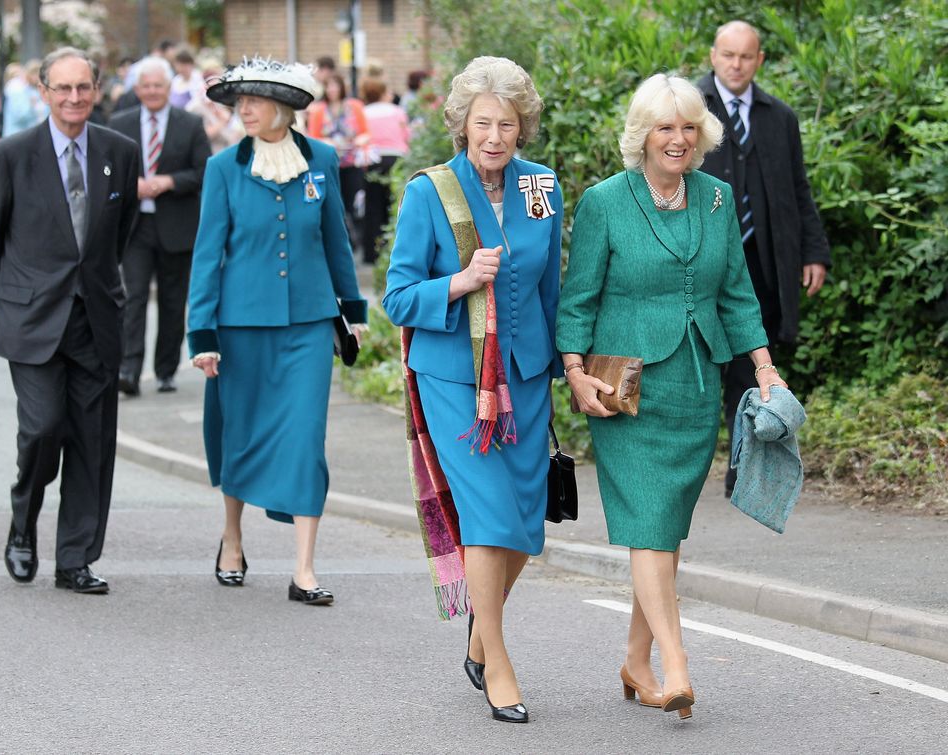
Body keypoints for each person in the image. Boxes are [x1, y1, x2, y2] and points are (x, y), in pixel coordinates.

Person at [556, 73, 787, 719]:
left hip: (694, 379)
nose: (678, 138)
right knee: (651, 526)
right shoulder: (605, 201)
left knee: (663, 530)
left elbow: (737, 294)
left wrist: (764, 368)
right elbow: (578, 298)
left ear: (702, 133)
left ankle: (634, 658)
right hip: (624, 387)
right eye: (665, 126)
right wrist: (574, 371)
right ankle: (676, 664)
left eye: (688, 126)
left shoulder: (716, 198)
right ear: (643, 135)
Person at [383, 56, 562, 723]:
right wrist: (460, 281)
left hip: (526, 377)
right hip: (457, 380)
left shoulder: (541, 186)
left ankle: (479, 629)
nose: (495, 136)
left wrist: (563, 364)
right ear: (462, 124)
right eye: (483, 123)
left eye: (507, 124)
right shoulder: (429, 192)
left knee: (523, 527)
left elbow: (551, 290)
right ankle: (499, 664)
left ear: (522, 128)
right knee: (487, 517)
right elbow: (398, 296)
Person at [187, 56, 367, 602]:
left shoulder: (322, 161)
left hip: (310, 325)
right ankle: (233, 538)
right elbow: (206, 255)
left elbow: (336, 240)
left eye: (255, 100)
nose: (243, 109)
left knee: (306, 438)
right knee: (239, 433)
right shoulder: (223, 169)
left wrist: (353, 311)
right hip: (240, 327)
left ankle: (304, 569)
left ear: (284, 108)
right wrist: (202, 335)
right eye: (239, 101)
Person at [0, 47, 140, 594]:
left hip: (96, 318)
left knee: (92, 443)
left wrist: (96, 288)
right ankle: (23, 522)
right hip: (33, 320)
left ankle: (75, 559)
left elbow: (119, 234)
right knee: (43, 429)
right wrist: (18, 299)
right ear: (43, 91)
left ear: (97, 89)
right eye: (63, 88)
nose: (74, 98)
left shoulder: (120, 151)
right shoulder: (10, 155)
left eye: (83, 87)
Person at [696, 20, 831, 496]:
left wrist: (814, 251)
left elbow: (799, 189)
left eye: (746, 56)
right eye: (728, 55)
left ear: (759, 61)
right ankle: (688, 468)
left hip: (765, 265)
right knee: (699, 370)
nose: (736, 64)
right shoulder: (688, 109)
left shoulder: (781, 117)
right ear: (713, 56)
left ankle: (742, 472)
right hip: (700, 266)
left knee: (752, 369)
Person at [109, 57, 211, 396]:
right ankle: (129, 370)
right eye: (146, 86)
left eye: (158, 86)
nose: (152, 92)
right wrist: (130, 184)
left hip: (176, 224)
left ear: (169, 89)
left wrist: (168, 181)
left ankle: (166, 370)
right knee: (132, 298)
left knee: (172, 301)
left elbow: (203, 172)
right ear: (137, 89)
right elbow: (105, 170)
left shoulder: (190, 124)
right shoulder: (118, 124)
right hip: (135, 226)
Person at [306, 74, 369, 253]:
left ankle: (356, 242)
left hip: (351, 163)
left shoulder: (354, 107)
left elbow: (365, 132)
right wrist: (327, 142)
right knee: (334, 203)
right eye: (329, 86)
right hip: (329, 164)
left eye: (335, 86)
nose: (332, 90)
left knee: (354, 204)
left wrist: (358, 141)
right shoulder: (319, 110)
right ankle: (339, 241)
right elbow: (313, 136)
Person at [359, 78, 409, 263]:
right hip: (395, 158)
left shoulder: (363, 113)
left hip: (372, 159)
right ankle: (393, 250)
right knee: (394, 206)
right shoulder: (397, 112)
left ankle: (371, 254)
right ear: (382, 92)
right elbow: (406, 135)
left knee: (372, 207)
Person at [185, 58, 244, 154]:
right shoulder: (195, 106)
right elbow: (199, 136)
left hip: (233, 153)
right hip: (211, 155)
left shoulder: (224, 100)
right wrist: (222, 122)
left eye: (218, 77)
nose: (214, 82)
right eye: (209, 77)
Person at [2, 60, 47, 136]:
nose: (37, 77)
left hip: (34, 136)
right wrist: (31, 105)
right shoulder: (16, 88)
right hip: (16, 136)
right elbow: (20, 115)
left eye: (39, 74)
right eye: (34, 73)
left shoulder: (37, 90)